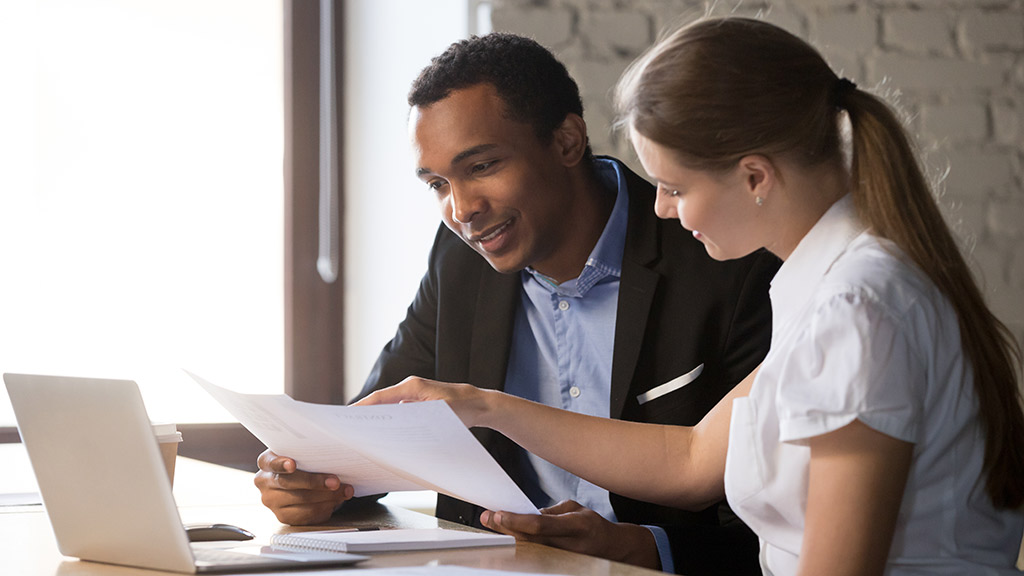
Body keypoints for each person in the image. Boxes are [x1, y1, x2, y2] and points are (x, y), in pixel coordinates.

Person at [358, 17, 1024, 576]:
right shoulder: (828, 285)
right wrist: (481, 405)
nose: (665, 211)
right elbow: (692, 459)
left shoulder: (855, 309)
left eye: (674, 186)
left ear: (754, 175)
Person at [255, 33, 780, 575]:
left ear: (568, 141)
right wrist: (314, 482)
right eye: (438, 183)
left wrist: (644, 548)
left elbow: (781, 521)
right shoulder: (461, 260)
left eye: (481, 167)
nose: (462, 210)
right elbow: (373, 434)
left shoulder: (727, 260)